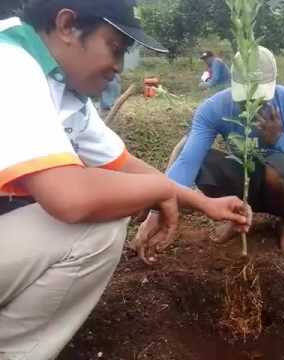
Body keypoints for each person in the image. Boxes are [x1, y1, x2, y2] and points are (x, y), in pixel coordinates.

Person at [0, 1, 251, 359]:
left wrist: (204, 203)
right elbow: (69, 198)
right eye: (115, 48)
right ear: (68, 25)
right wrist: (159, 190)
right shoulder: (10, 64)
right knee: (94, 230)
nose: (117, 67)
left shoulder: (61, 87)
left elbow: (125, 165)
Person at [165, 46, 284, 253]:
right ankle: (235, 215)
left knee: (279, 167)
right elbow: (187, 162)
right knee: (204, 163)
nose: (251, 104)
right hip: (248, 181)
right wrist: (157, 209)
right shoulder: (214, 108)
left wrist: (280, 140)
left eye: (260, 97)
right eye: (245, 97)